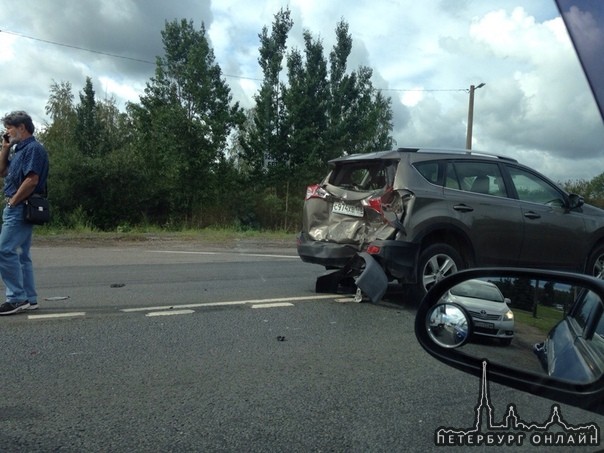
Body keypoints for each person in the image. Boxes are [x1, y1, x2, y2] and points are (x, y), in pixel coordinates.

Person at [0, 111, 49, 315]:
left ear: (22, 127)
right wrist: (5, 147)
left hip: (20, 206)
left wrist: (13, 202)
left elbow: (32, 180)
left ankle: (17, 298)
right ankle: (29, 298)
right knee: (21, 255)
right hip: (18, 206)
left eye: (9, 128)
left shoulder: (34, 149)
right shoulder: (18, 150)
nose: (7, 131)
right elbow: (2, 172)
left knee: (4, 250)